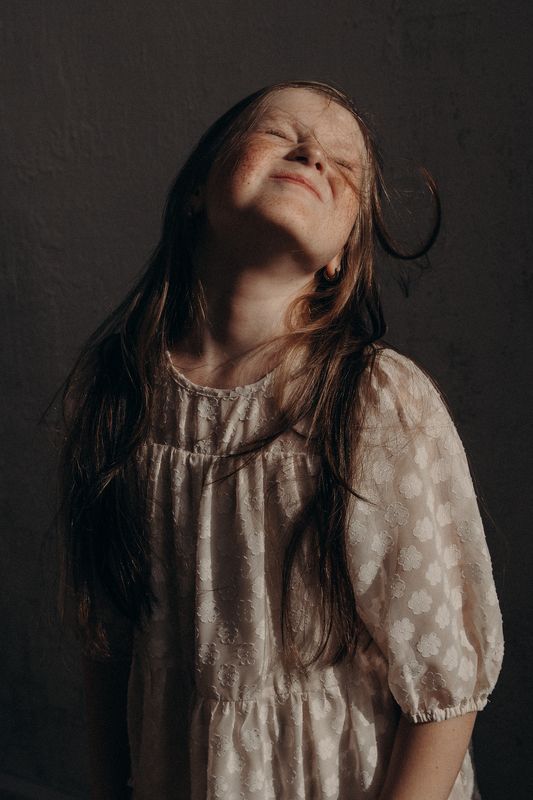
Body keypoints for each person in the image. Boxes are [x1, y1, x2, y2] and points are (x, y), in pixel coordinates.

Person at [58, 80, 504, 800]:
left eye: (344, 164)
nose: (313, 154)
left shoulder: (373, 402)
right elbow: (107, 641)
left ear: (340, 257)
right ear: (196, 189)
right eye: (279, 132)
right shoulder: (116, 392)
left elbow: (443, 687)